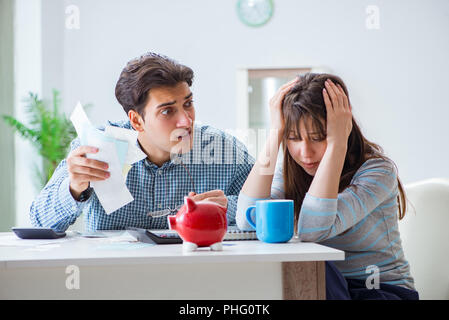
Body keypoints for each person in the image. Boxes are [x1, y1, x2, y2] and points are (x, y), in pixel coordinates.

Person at [236, 73, 419, 300]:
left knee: (316, 263)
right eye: (293, 138)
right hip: (322, 286)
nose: (305, 153)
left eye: (318, 137)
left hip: (380, 290)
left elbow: (312, 231)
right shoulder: (292, 170)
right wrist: (275, 133)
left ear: (342, 128)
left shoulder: (378, 171)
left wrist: (337, 144)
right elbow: (247, 221)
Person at [30, 52, 254, 232]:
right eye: (167, 111)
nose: (186, 121)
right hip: (113, 276)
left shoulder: (224, 149)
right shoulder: (96, 147)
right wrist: (74, 187)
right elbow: (40, 222)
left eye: (188, 104)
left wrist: (230, 207)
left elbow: (273, 206)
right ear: (137, 120)